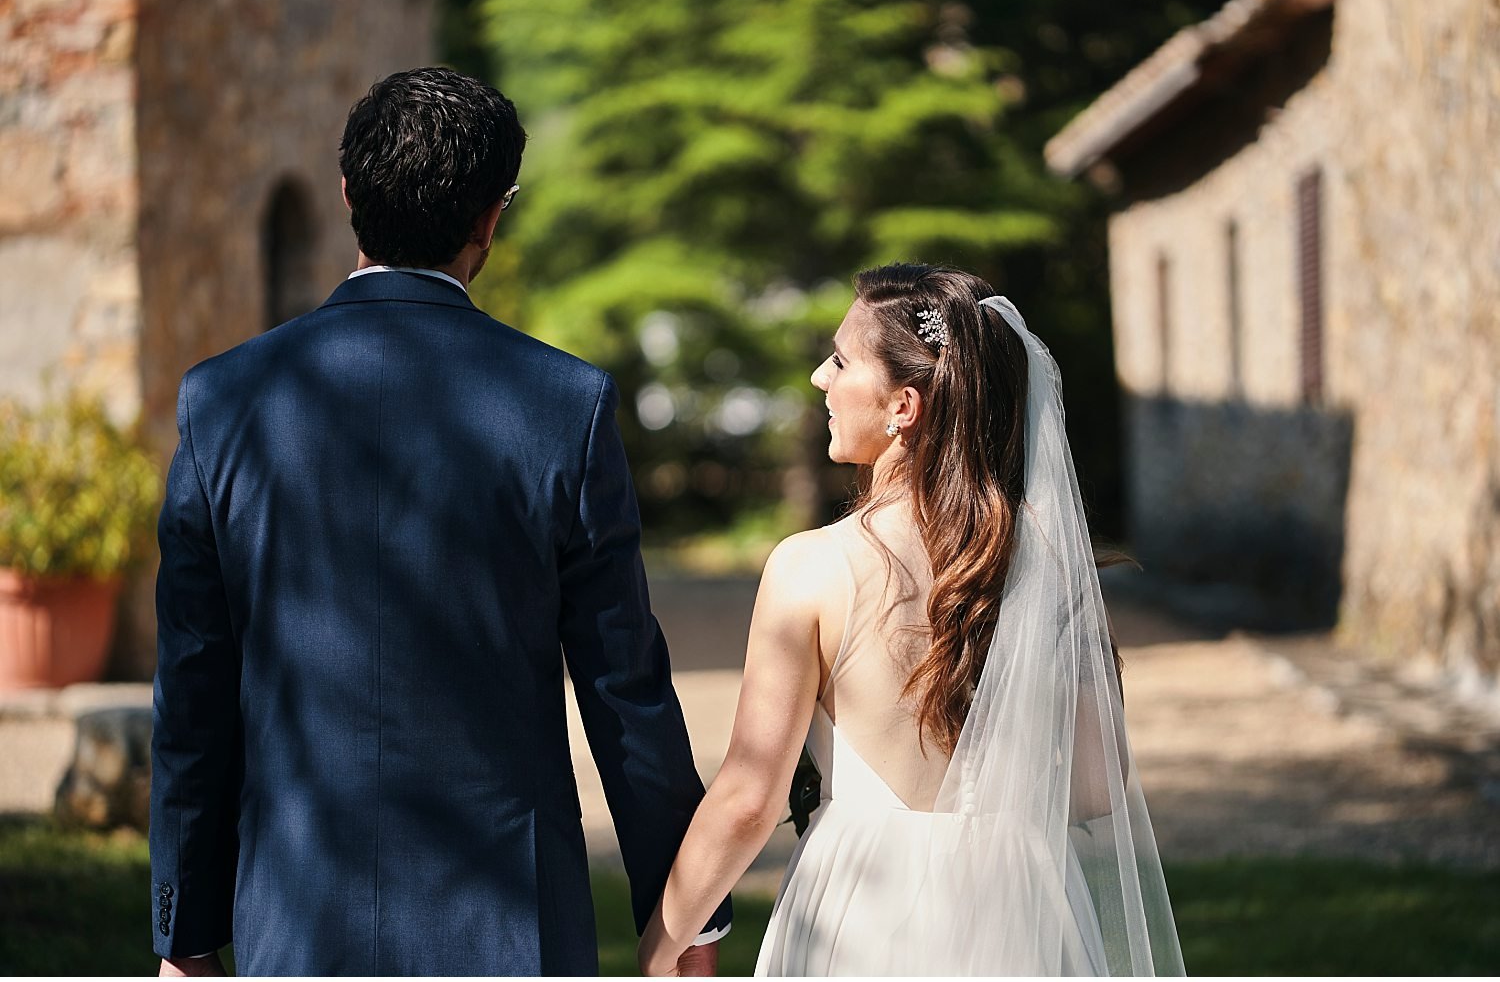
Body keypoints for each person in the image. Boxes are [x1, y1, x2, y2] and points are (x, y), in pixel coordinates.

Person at [149, 67, 729, 977]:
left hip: (296, 921)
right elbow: (626, 690)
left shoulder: (221, 402)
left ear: (347, 196)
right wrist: (689, 918)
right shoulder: (565, 405)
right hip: (509, 929)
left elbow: (193, 687)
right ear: (492, 218)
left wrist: (184, 935)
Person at [637, 263, 1184, 976]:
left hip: (864, 906)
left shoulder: (813, 566)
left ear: (904, 405)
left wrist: (664, 942)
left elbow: (747, 796)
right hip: (1022, 903)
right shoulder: (1046, 558)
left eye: (840, 360)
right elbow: (1095, 787)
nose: (818, 378)